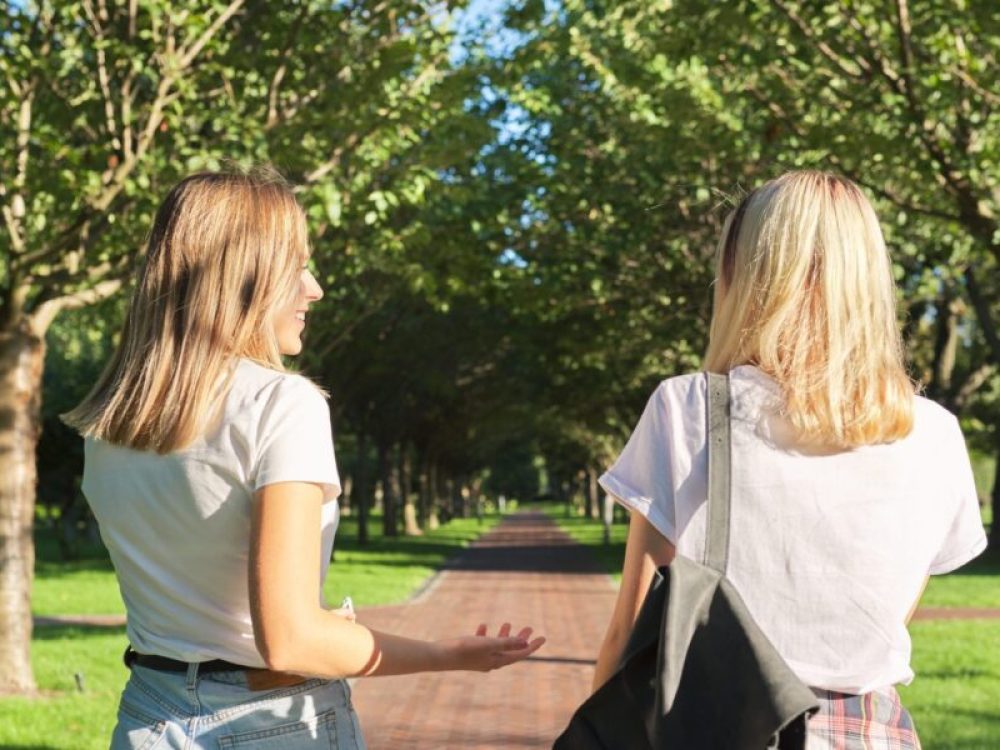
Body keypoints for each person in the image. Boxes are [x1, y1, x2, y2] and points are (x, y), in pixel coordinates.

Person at [64, 169, 544, 749]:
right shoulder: (281, 402)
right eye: (296, 266)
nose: (314, 288)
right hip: (270, 722)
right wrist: (451, 655)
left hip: (148, 713)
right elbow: (290, 640)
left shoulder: (113, 419)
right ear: (242, 275)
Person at [591, 170, 987, 748]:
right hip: (871, 734)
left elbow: (629, 631)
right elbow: (879, 622)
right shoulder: (936, 436)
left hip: (723, 726)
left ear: (747, 274)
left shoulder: (691, 409)